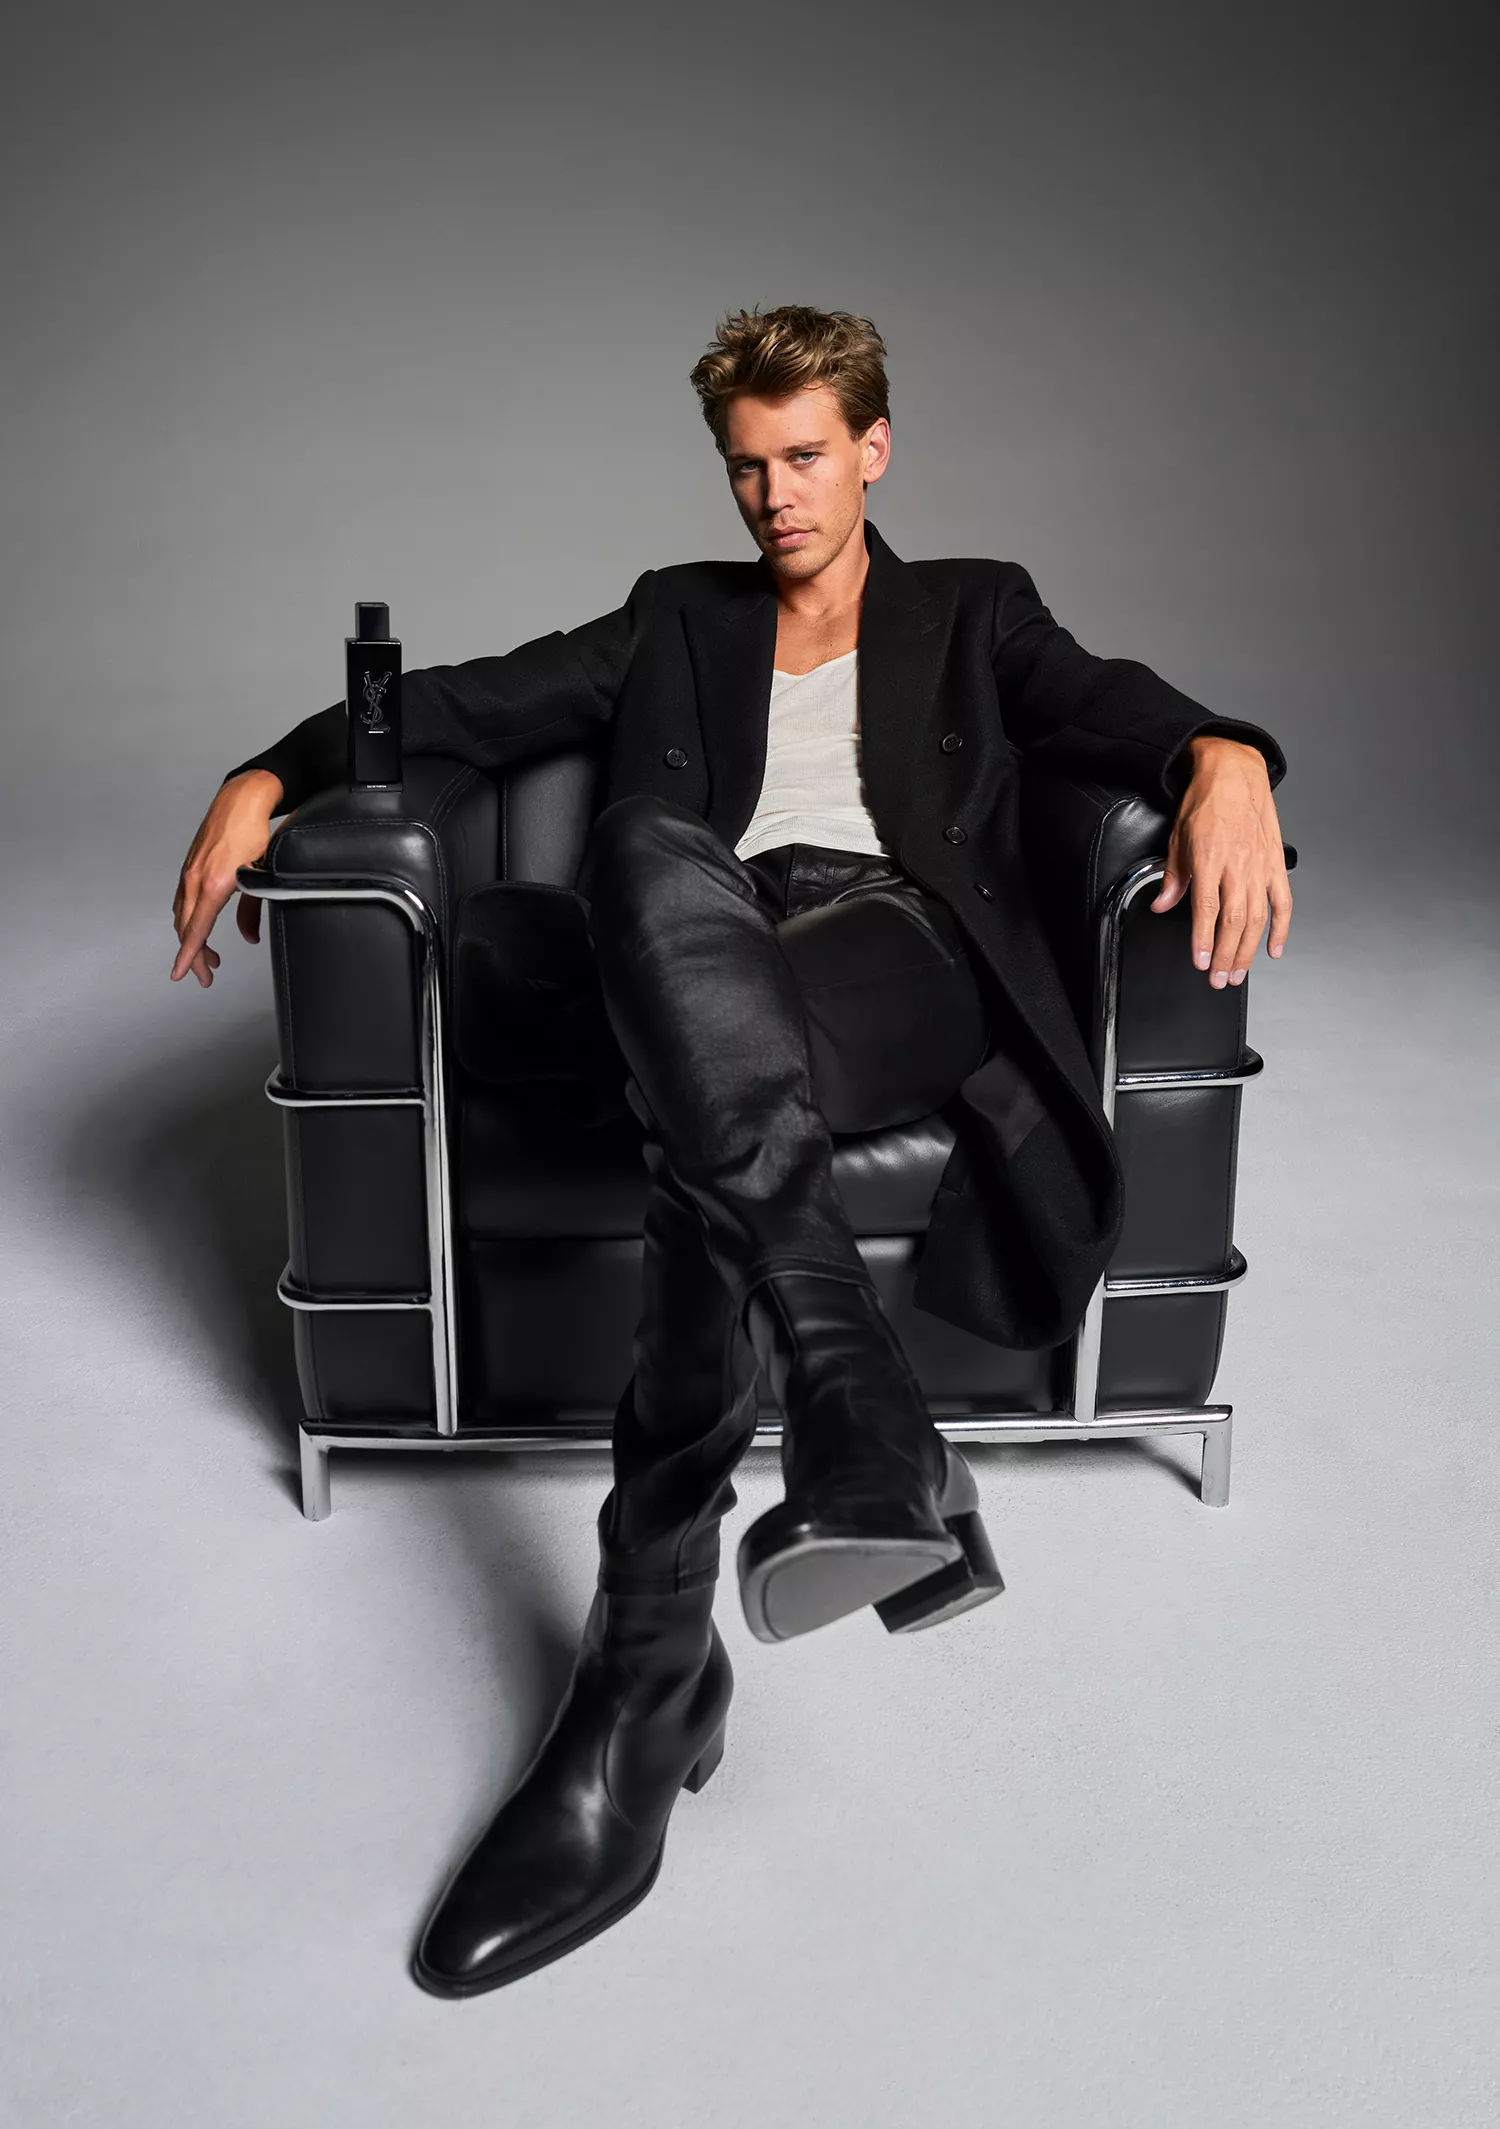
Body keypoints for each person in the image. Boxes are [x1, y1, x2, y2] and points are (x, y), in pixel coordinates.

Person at [170, 306, 1292, 1995]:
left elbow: (1122, 706)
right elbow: (463, 707)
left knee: (691, 1037)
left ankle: (644, 1685)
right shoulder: (674, 618)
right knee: (654, 883)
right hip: (695, 950)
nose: (777, 496)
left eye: (808, 456)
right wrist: (267, 772)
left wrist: (1227, 758)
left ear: (875, 449)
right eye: (748, 466)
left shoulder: (976, 607)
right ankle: (836, 1447)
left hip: (893, 954)